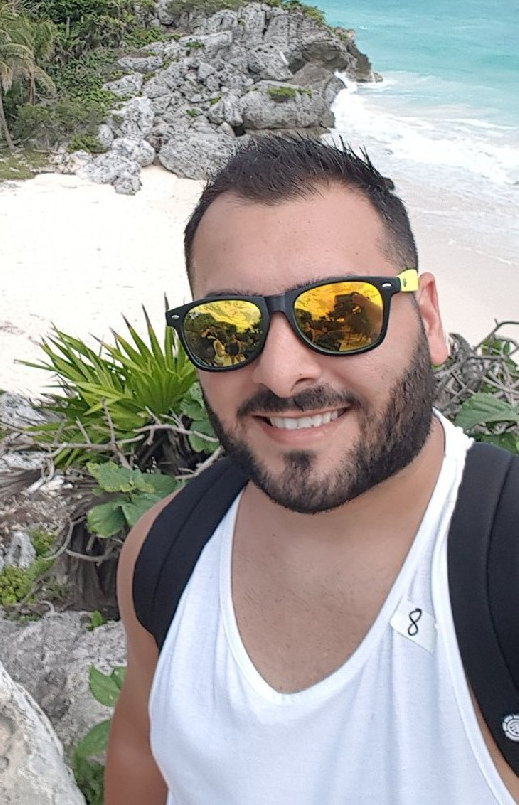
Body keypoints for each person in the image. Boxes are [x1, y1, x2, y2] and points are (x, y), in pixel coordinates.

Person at [105, 136, 519, 804]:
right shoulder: (163, 554)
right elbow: (139, 755)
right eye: (226, 328)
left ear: (428, 319)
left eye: (340, 314)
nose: (280, 372)